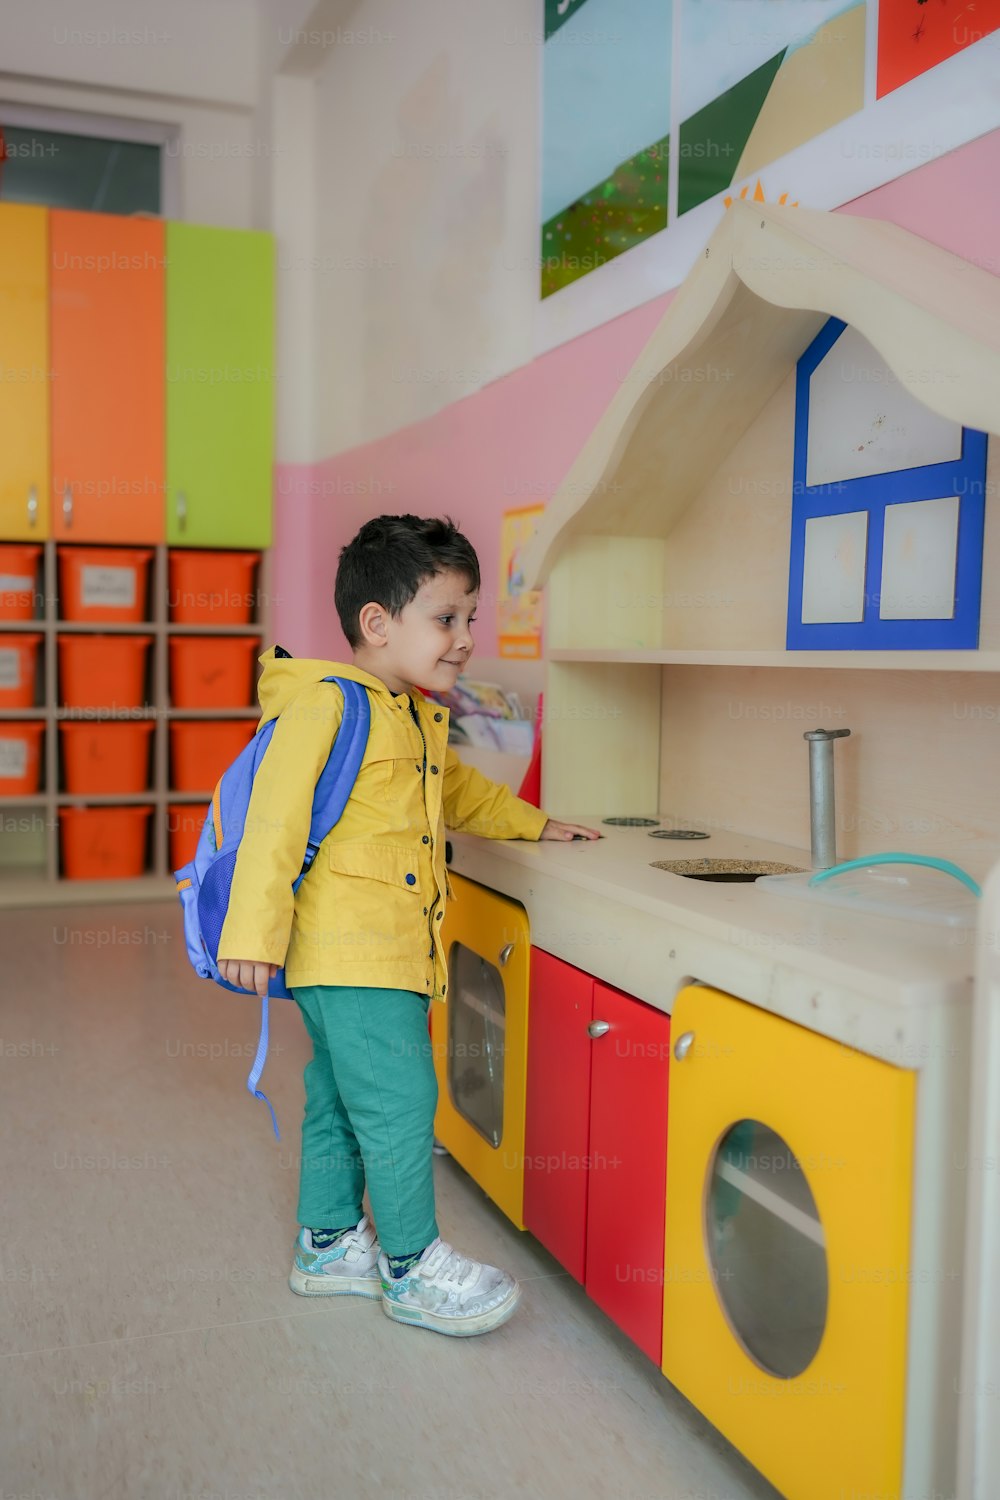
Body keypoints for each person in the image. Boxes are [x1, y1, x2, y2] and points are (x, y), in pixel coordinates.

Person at [216, 513, 600, 1338]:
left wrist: (534, 823)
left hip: (366, 952)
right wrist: (249, 932)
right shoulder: (328, 705)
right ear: (378, 623)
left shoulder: (410, 717)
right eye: (446, 618)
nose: (465, 639)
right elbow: (277, 819)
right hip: (352, 952)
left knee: (339, 1097)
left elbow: (460, 793)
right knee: (397, 1101)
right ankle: (412, 1264)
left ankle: (327, 1245)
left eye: (471, 619)